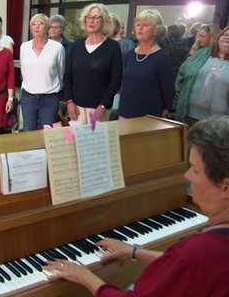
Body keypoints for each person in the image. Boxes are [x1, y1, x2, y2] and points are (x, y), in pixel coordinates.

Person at [44, 115, 229, 297]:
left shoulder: (198, 252)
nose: (186, 176)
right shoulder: (204, 252)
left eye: (195, 170)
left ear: (225, 187)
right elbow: (181, 268)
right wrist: (134, 251)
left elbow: (187, 263)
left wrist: (85, 276)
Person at [64, 3, 123, 124]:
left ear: (104, 21)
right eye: (88, 17)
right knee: (73, 141)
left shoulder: (113, 47)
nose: (91, 21)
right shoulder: (77, 45)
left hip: (99, 109)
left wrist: (103, 106)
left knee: (97, 143)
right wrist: (69, 102)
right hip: (77, 108)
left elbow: (116, 79)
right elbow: (67, 75)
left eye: (96, 17)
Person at [118, 9, 175, 119]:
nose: (140, 28)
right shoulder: (130, 55)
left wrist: (163, 111)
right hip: (125, 112)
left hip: (148, 115)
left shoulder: (161, 57)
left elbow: (168, 89)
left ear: (155, 30)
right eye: (138, 24)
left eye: (145, 25)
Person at [175, 26, 229, 126]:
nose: (227, 37)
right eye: (225, 34)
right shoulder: (202, 53)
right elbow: (181, 77)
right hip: (188, 116)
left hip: (220, 124)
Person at [20, 13, 65, 130]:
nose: (37, 27)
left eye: (40, 24)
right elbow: (24, 71)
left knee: (47, 132)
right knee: (28, 131)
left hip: (49, 98)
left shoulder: (57, 48)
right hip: (28, 96)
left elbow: (61, 72)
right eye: (33, 24)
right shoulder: (24, 47)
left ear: (47, 27)